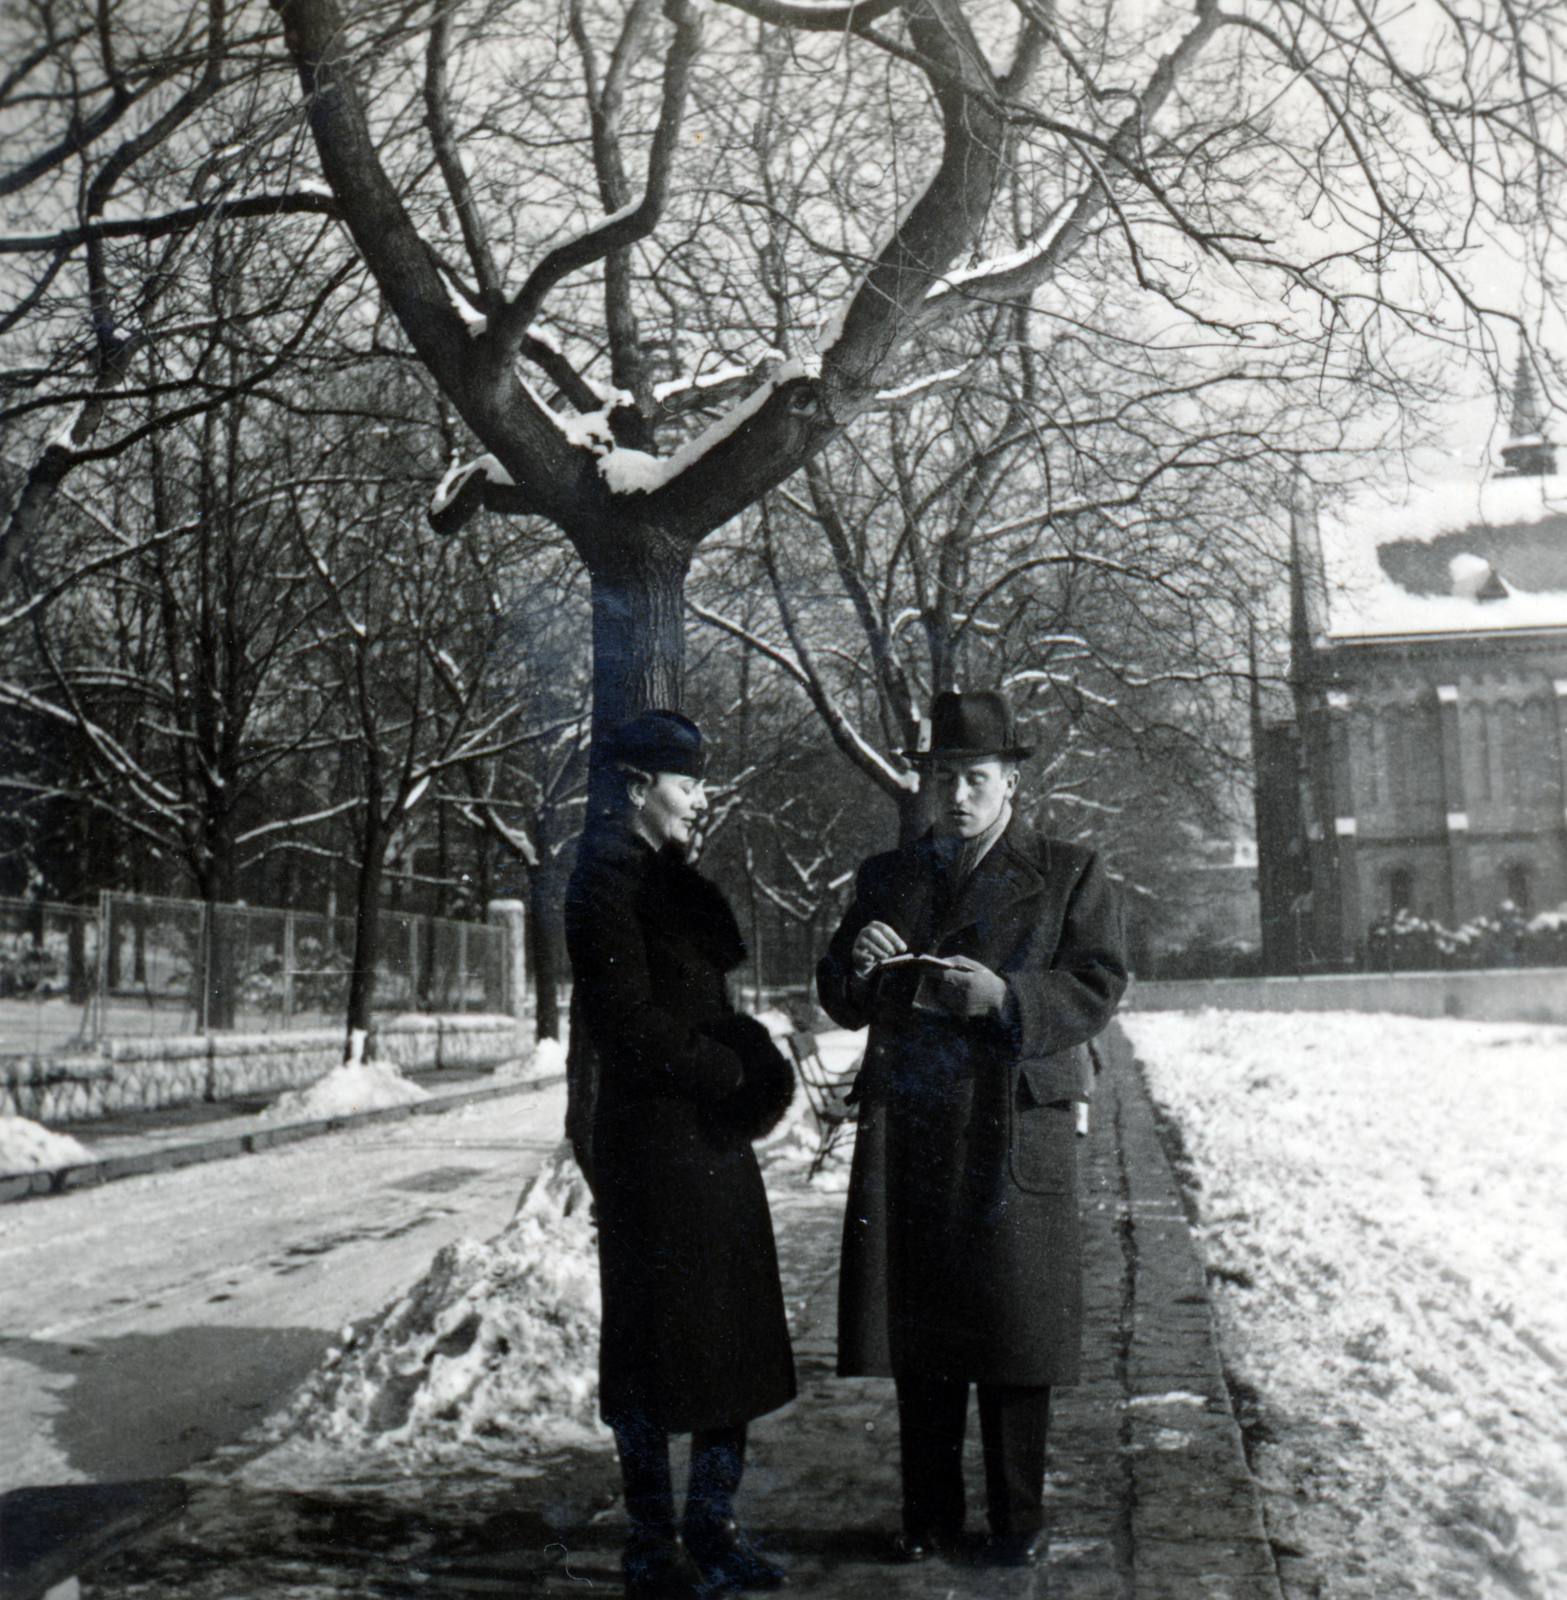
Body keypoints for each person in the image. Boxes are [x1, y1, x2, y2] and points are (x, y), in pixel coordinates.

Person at [816, 689, 1128, 1568]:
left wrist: (1010, 999)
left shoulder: (1070, 870)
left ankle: (1018, 1518)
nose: (956, 796)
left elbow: (1099, 983)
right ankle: (927, 1515)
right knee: (922, 1329)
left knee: (1014, 1328)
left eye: (975, 778)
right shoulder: (888, 877)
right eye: (943, 777)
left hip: (1010, 1122)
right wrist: (854, 962)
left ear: (1010, 783)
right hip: (913, 1125)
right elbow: (840, 999)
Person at [564, 709, 797, 1599]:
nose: (701, 798)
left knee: (726, 1342)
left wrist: (746, 1058)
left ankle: (714, 1524)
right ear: (635, 786)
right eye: (687, 781)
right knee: (656, 1350)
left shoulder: (667, 880)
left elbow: (696, 1007)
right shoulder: (604, 886)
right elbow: (628, 1030)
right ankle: (651, 1546)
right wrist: (729, 1067)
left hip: (708, 1144)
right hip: (653, 1154)